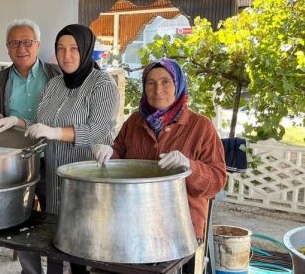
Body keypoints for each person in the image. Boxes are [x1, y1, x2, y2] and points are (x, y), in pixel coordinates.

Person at [0, 23, 119, 274]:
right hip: (54, 172)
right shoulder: (55, 84)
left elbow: (98, 131)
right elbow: (42, 126)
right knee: (56, 238)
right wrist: (17, 121)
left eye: (73, 48)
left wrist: (55, 133)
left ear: (86, 50)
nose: (66, 55)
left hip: (84, 177)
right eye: (61, 48)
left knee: (82, 244)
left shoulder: (102, 84)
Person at [92, 58, 227, 257]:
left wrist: (189, 166)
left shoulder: (201, 127)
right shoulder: (135, 121)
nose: (157, 90)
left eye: (165, 82)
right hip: (131, 223)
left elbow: (217, 181)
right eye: (151, 83)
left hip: (180, 229)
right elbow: (119, 151)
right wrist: (109, 152)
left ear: (178, 85)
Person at [0, 19, 60, 274]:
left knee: (54, 218)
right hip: (17, 162)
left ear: (38, 45)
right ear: (7, 48)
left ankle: (55, 270)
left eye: (27, 42)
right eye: (15, 43)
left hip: (52, 158)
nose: (21, 48)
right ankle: (30, 271)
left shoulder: (57, 76)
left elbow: (63, 119)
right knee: (22, 219)